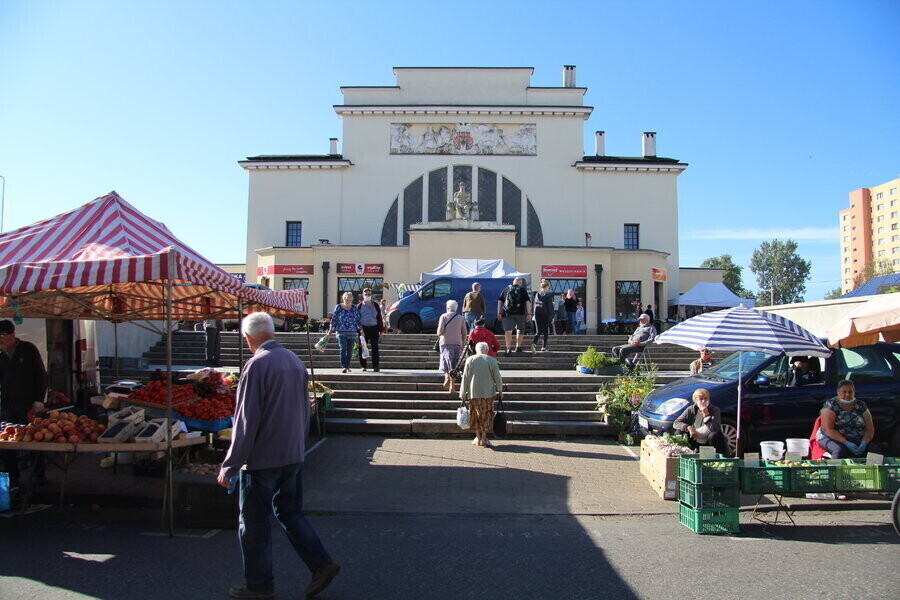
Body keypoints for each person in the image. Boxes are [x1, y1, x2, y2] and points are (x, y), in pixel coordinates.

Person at [218, 313, 339, 599]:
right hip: (292, 453)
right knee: (290, 513)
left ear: (248, 338)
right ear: (272, 332)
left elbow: (246, 421)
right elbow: (303, 409)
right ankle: (321, 564)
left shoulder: (256, 365)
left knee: (254, 524)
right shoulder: (294, 361)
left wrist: (230, 464)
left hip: (262, 458)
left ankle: (259, 585)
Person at [0, 320, 47, 488]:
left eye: (3, 336)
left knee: (34, 438)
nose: (2, 340)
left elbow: (40, 375)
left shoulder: (28, 349)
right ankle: (13, 477)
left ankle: (39, 475)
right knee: (7, 441)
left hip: (27, 402)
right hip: (6, 404)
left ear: (12, 335)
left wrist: (39, 399)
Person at [816, 380, 881, 458]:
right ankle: (835, 469)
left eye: (850, 392)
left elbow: (869, 428)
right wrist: (846, 443)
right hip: (831, 437)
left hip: (857, 439)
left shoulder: (861, 405)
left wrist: (864, 443)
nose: (847, 395)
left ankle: (874, 469)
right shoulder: (830, 405)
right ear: (838, 392)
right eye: (844, 392)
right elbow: (828, 429)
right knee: (839, 451)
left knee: (875, 451)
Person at [459, 342, 503, 447]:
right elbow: (497, 377)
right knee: (486, 414)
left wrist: (462, 392)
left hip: (473, 392)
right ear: (487, 350)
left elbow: (465, 377)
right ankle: (484, 438)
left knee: (475, 414)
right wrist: (500, 390)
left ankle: (477, 438)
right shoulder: (492, 360)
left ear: (476, 350)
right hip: (488, 393)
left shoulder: (470, 360)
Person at [672, 388, 728, 456]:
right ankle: (683, 455)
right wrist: (688, 428)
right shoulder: (691, 409)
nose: (704, 401)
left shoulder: (715, 410)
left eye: (706, 398)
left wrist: (707, 416)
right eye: (701, 399)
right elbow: (676, 423)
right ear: (695, 400)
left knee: (715, 435)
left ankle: (714, 457)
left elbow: (715, 428)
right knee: (679, 432)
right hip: (694, 438)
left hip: (709, 440)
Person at [436, 299, 467, 393]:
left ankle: (446, 377)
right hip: (457, 343)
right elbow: (464, 332)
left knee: (445, 362)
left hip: (445, 343)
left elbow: (440, 331)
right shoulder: (461, 318)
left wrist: (439, 332)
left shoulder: (443, 316)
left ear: (447, 307)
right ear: (456, 308)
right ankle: (452, 387)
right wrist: (463, 343)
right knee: (455, 365)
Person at [327, 292, 362, 373]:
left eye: (350, 299)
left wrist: (361, 330)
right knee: (343, 349)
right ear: (343, 298)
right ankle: (344, 366)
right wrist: (330, 329)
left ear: (352, 299)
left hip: (352, 332)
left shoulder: (354, 308)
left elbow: (358, 320)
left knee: (350, 351)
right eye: (346, 299)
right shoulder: (338, 307)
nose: (348, 300)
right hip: (341, 331)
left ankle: (347, 365)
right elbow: (334, 319)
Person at [496, 277, 531, 356]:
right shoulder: (522, 290)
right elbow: (527, 302)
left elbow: (500, 300)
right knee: (520, 329)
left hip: (507, 313)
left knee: (508, 331)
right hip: (520, 313)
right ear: (520, 283)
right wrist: (528, 313)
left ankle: (508, 348)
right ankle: (518, 347)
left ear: (513, 282)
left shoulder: (506, 289)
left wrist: (499, 312)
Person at [356, 288, 385, 372]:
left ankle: (375, 366)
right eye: (366, 294)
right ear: (363, 295)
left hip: (374, 328)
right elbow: (357, 319)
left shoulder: (376, 305)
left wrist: (381, 329)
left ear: (371, 295)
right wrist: (359, 330)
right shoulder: (359, 306)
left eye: (369, 294)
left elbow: (379, 318)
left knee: (375, 347)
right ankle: (363, 366)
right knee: (362, 348)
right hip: (363, 329)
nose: (367, 296)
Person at [531, 279, 554, 352]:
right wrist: (552, 316)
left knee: (538, 331)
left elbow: (534, 305)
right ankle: (543, 347)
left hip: (537, 314)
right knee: (545, 332)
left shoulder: (537, 294)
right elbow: (550, 307)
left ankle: (534, 344)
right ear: (547, 287)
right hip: (545, 315)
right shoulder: (548, 295)